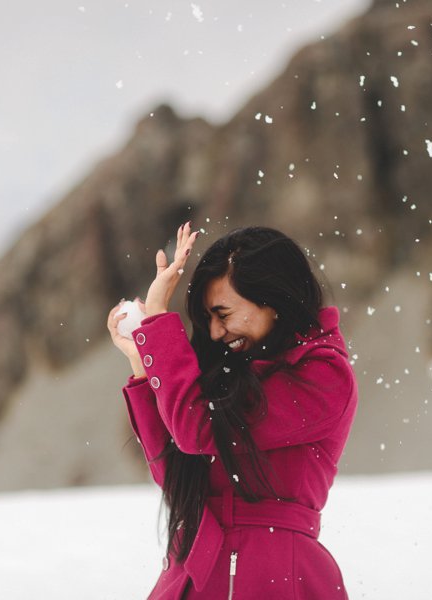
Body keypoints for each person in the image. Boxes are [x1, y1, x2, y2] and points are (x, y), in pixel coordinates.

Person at [107, 224, 357, 599]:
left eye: (222, 313)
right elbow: (175, 476)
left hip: (272, 576)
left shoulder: (325, 376)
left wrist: (159, 321)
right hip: (196, 570)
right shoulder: (232, 374)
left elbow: (195, 432)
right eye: (207, 317)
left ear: (272, 300)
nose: (214, 332)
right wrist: (143, 366)